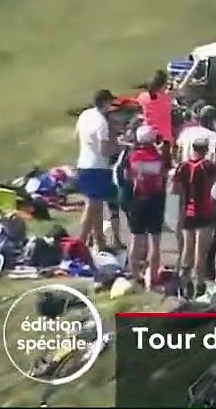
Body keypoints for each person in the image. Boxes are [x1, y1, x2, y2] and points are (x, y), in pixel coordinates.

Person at [170, 135, 216, 294]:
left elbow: (174, 190)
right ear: (205, 150)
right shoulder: (208, 166)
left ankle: (185, 281)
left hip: (187, 212)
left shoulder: (183, 166)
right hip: (205, 212)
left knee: (187, 249)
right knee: (201, 252)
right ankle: (200, 284)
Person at [124, 124, 168, 288]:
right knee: (155, 241)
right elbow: (164, 175)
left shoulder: (132, 156)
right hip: (156, 199)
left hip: (137, 198)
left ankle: (135, 275)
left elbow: (127, 176)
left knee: (136, 238)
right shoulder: (158, 157)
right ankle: (153, 277)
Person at [75, 89, 118, 250]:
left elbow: (77, 135)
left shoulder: (85, 115)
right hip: (97, 167)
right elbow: (105, 150)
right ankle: (81, 240)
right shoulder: (102, 123)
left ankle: (100, 241)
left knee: (97, 206)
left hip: (83, 163)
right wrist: (118, 147)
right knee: (92, 205)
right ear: (105, 103)